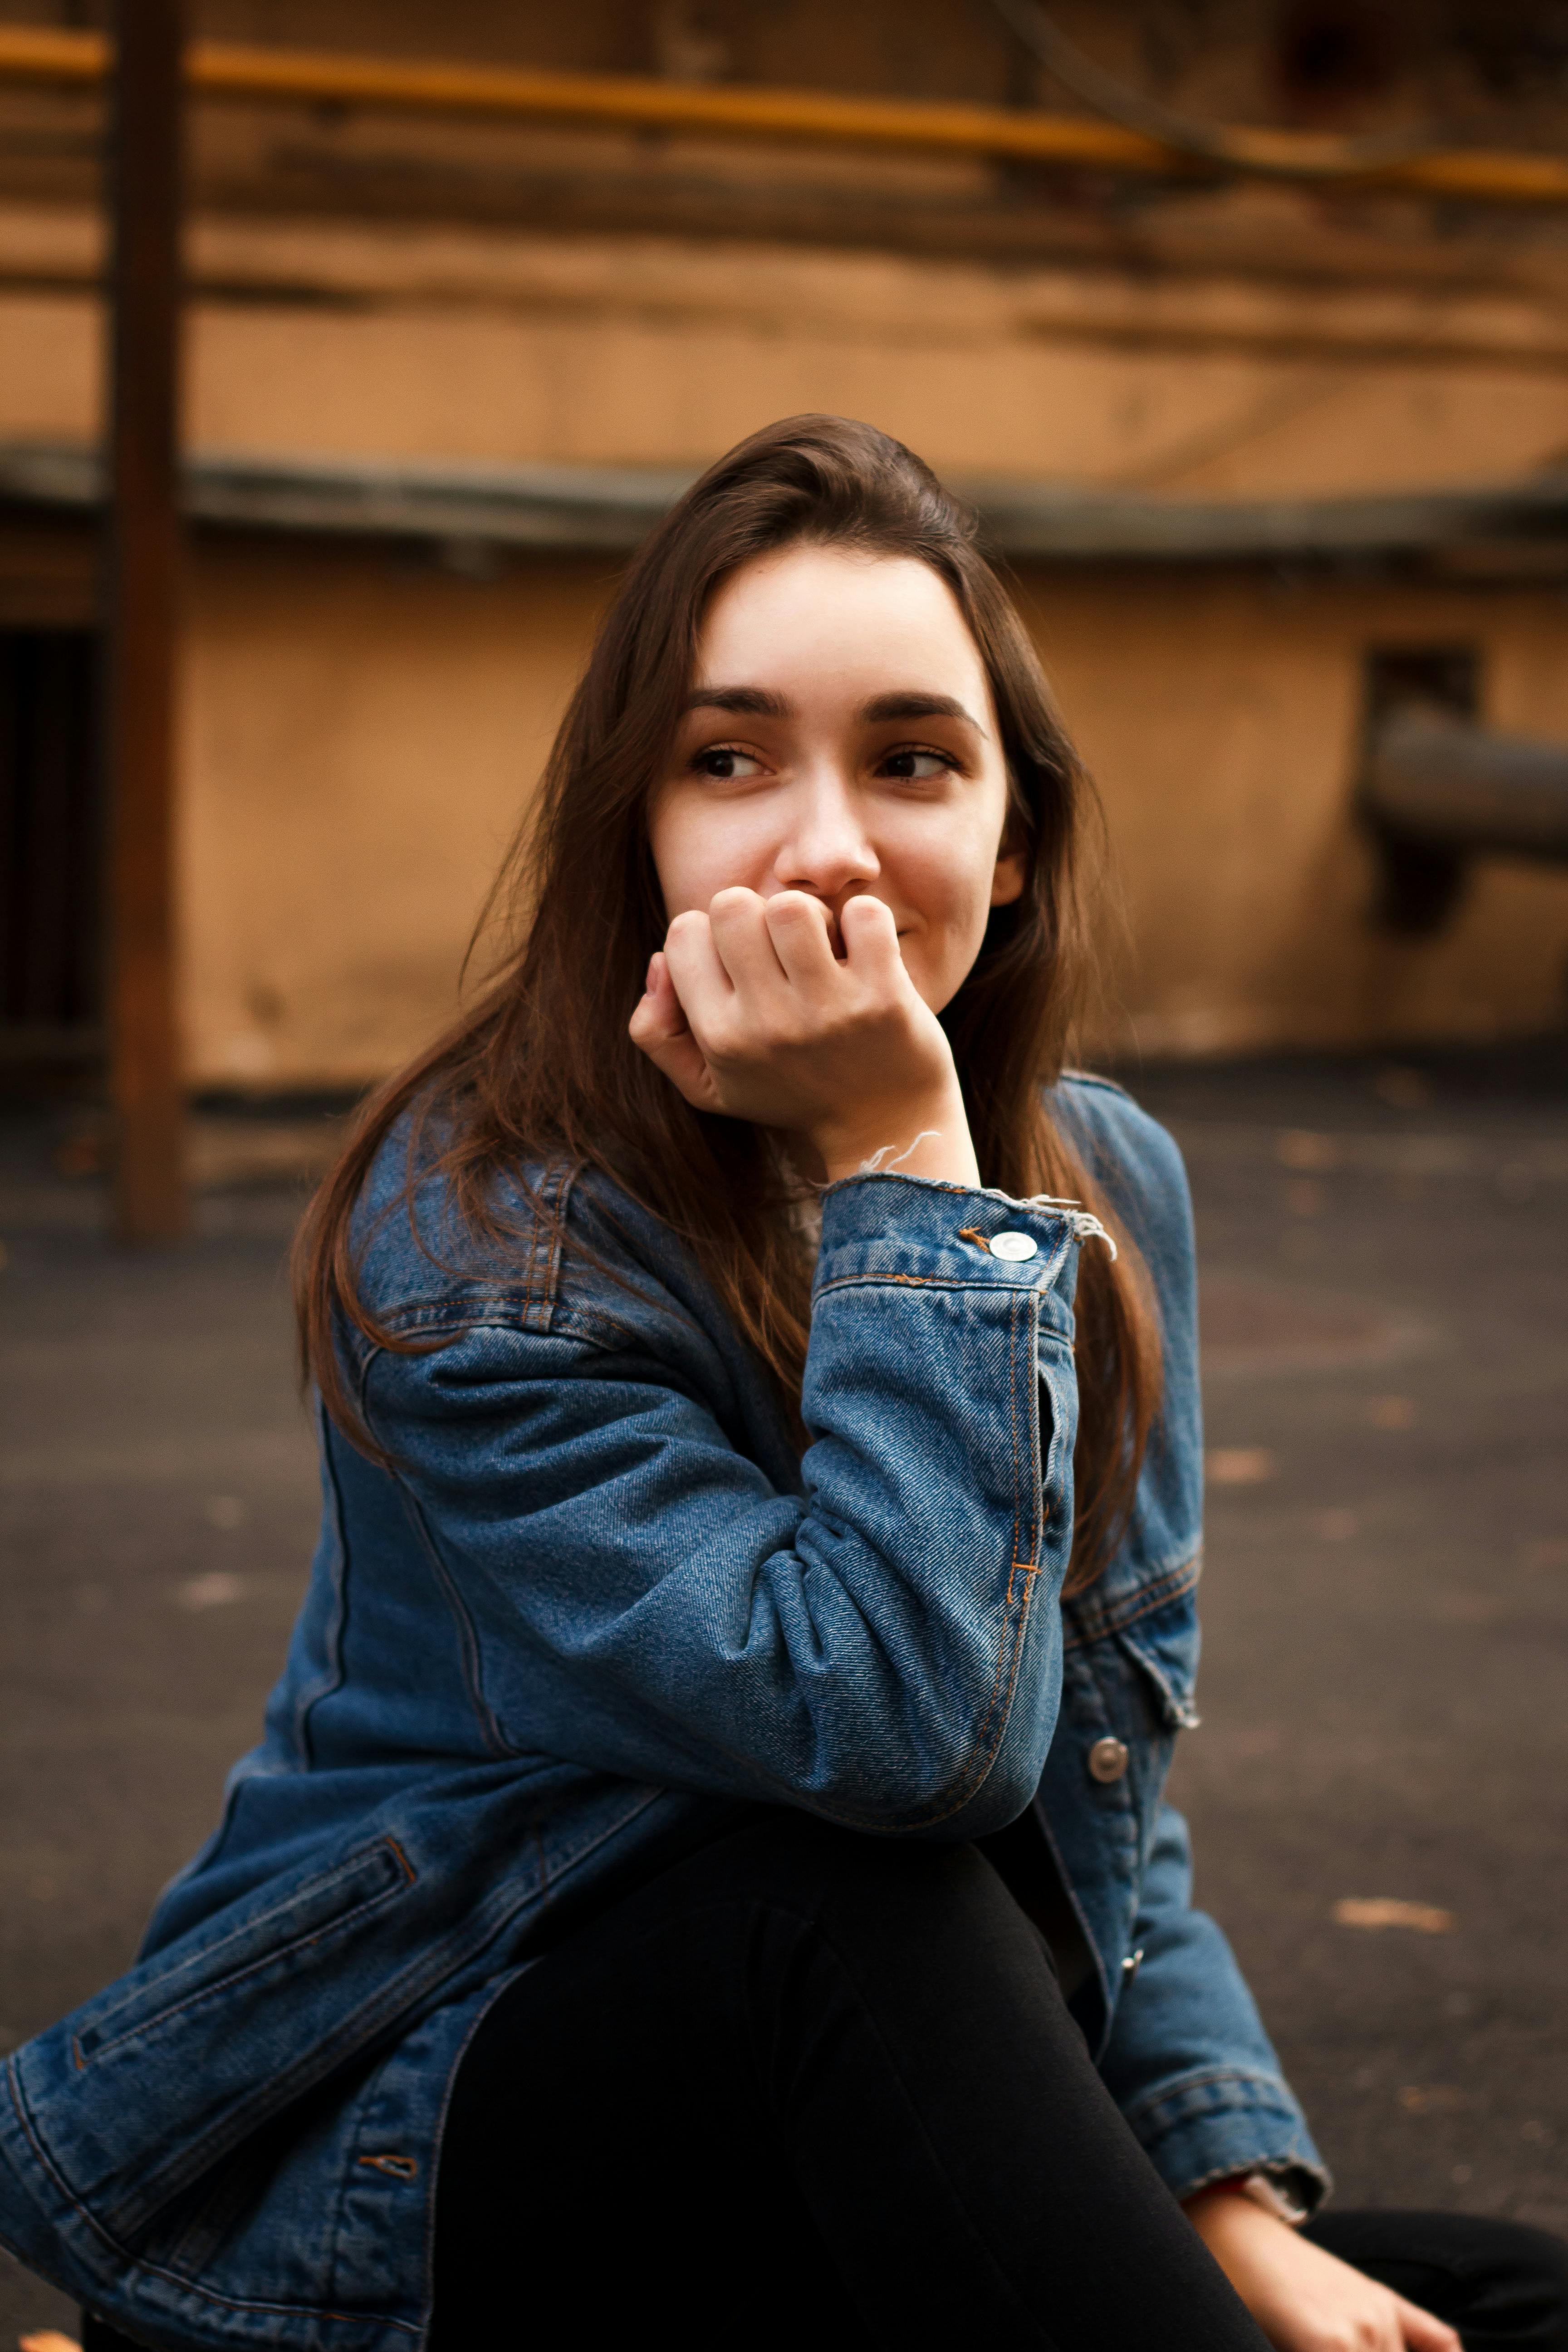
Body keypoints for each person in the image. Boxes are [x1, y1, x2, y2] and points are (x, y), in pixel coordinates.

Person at [2, 416, 1562, 2352]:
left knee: (1507, 2310)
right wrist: (903, 1164)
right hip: (422, 2157)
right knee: (835, 1894)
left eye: (912, 760)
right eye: (728, 760)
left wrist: (1228, 2203)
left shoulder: (1104, 1185)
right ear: (639, 837)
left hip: (853, 2115)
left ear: (1012, 855)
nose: (825, 842)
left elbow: (1096, 1797)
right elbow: (907, 1739)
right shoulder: (485, 1231)